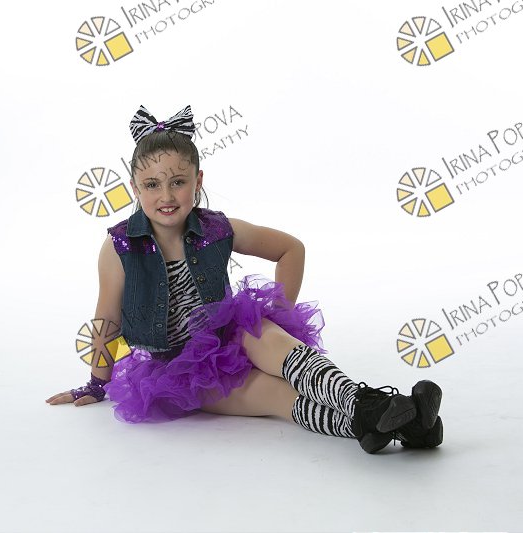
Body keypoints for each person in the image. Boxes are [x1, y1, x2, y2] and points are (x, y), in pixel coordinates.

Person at [47, 105, 444, 453]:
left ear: (198, 181)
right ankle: (408, 428)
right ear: (135, 188)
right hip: (182, 371)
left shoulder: (219, 229)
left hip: (234, 335)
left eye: (178, 182)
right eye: (152, 185)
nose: (166, 196)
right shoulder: (119, 247)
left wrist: (281, 315)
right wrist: (97, 383)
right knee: (278, 398)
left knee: (266, 336)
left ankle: (366, 403)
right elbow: (108, 321)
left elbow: (291, 249)